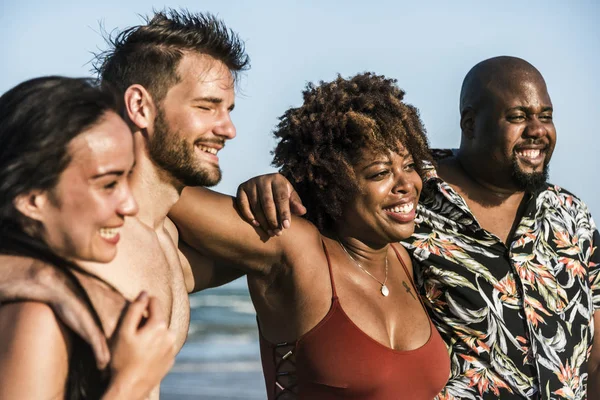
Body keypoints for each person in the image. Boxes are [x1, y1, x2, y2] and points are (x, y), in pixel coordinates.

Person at [236, 57, 600, 399]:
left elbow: (595, 353)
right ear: (470, 123)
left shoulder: (571, 214)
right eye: (518, 117)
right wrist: (276, 187)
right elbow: (326, 210)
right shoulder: (408, 199)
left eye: (545, 116)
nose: (536, 130)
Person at [0, 10, 250, 398]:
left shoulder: (163, 240)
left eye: (228, 110)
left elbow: (264, 254)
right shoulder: (83, 243)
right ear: (140, 106)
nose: (228, 129)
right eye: (206, 106)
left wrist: (287, 188)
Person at [168, 72, 450, 399]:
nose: (406, 184)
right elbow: (165, 191)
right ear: (329, 182)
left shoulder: (403, 257)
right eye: (380, 173)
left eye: (410, 166)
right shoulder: (294, 245)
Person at [0, 76, 176, 399]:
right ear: (32, 198)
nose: (129, 204)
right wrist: (132, 383)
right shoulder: (36, 319)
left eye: (128, 176)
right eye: (108, 184)